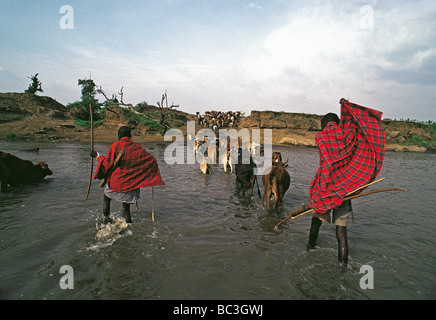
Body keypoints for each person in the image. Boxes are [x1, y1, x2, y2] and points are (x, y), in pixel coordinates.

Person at [307, 99, 385, 267]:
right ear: (337, 122)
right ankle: (342, 266)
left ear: (324, 124)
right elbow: (360, 130)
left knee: (316, 221)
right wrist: (348, 108)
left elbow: (326, 163)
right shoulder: (349, 134)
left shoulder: (321, 137)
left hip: (325, 189)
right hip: (345, 190)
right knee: (341, 231)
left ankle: (309, 248)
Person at [90, 126, 165, 224]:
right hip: (131, 183)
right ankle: (128, 227)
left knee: (106, 198)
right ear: (130, 136)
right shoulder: (137, 148)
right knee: (126, 209)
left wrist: (97, 156)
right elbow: (152, 160)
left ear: (119, 136)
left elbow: (107, 164)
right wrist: (139, 176)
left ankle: (106, 220)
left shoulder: (116, 145)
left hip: (116, 182)